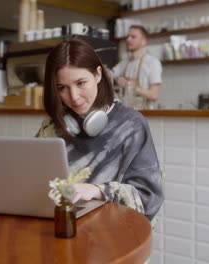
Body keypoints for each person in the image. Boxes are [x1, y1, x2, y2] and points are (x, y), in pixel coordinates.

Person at [36, 39, 164, 222]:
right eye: (62, 88)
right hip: (60, 224)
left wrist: (99, 191)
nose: (73, 97)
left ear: (97, 74)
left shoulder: (131, 125)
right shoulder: (52, 125)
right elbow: (33, 177)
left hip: (111, 232)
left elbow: (149, 198)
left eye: (81, 83)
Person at [112, 25, 162, 109]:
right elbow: (110, 74)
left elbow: (154, 95)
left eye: (133, 37)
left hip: (144, 113)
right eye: (127, 37)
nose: (128, 39)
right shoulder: (124, 63)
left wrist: (129, 86)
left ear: (143, 41)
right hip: (126, 112)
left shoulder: (152, 62)